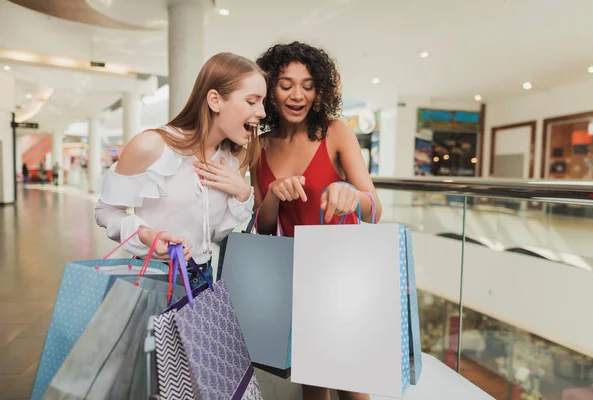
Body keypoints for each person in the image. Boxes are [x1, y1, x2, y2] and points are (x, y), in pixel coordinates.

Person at [252, 42, 382, 400]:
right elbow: (263, 228)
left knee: (353, 387)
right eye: (286, 84)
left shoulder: (335, 131)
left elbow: (374, 208)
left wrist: (353, 195)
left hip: (341, 276)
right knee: (313, 386)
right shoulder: (258, 146)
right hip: (291, 278)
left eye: (307, 85)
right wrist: (275, 196)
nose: (297, 95)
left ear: (319, 90)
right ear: (269, 91)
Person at [95, 52, 266, 288]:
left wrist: (243, 194)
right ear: (215, 100)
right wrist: (143, 234)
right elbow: (105, 211)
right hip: (153, 278)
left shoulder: (236, 157)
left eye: (263, 102)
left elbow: (216, 236)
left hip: (204, 278)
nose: (262, 112)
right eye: (251, 101)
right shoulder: (150, 145)